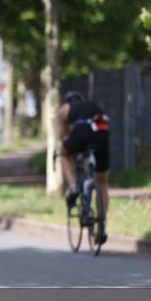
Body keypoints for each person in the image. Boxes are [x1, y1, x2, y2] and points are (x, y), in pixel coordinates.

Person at [58, 90, 111, 244]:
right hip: (102, 135)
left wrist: (69, 142)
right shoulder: (95, 106)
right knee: (102, 182)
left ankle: (74, 186)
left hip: (82, 133)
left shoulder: (66, 108)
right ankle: (102, 224)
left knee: (64, 153)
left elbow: (65, 136)